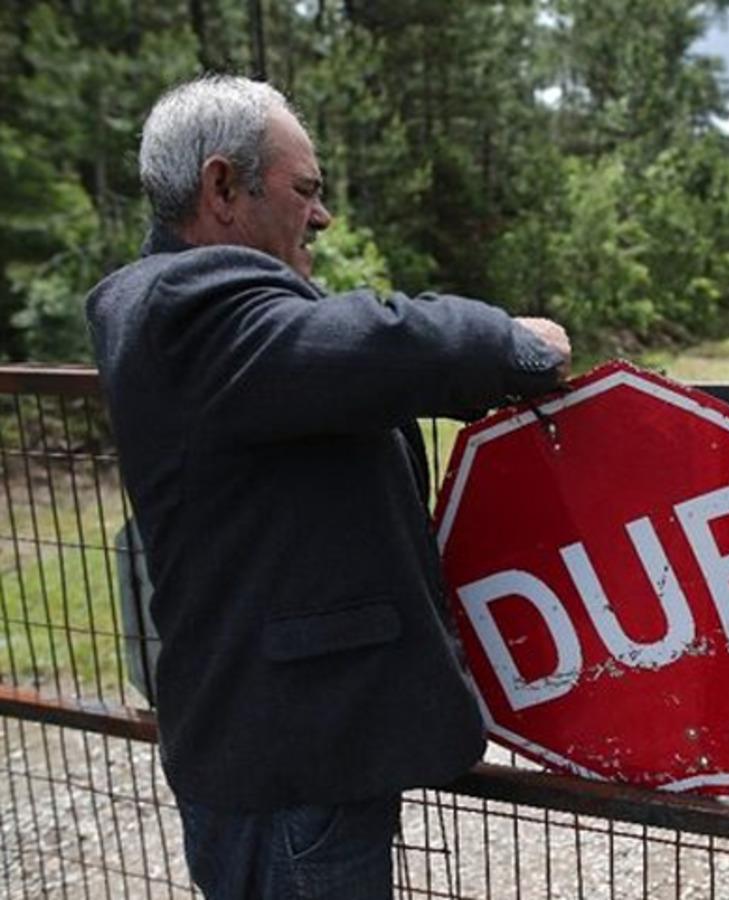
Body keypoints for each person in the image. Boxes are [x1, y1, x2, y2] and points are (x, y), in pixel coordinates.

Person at [86, 74, 570, 899]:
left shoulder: (190, 311)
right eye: (305, 189)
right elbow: (368, 342)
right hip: (290, 768)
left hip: (277, 753)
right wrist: (512, 343)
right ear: (222, 187)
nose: (323, 214)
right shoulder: (187, 305)